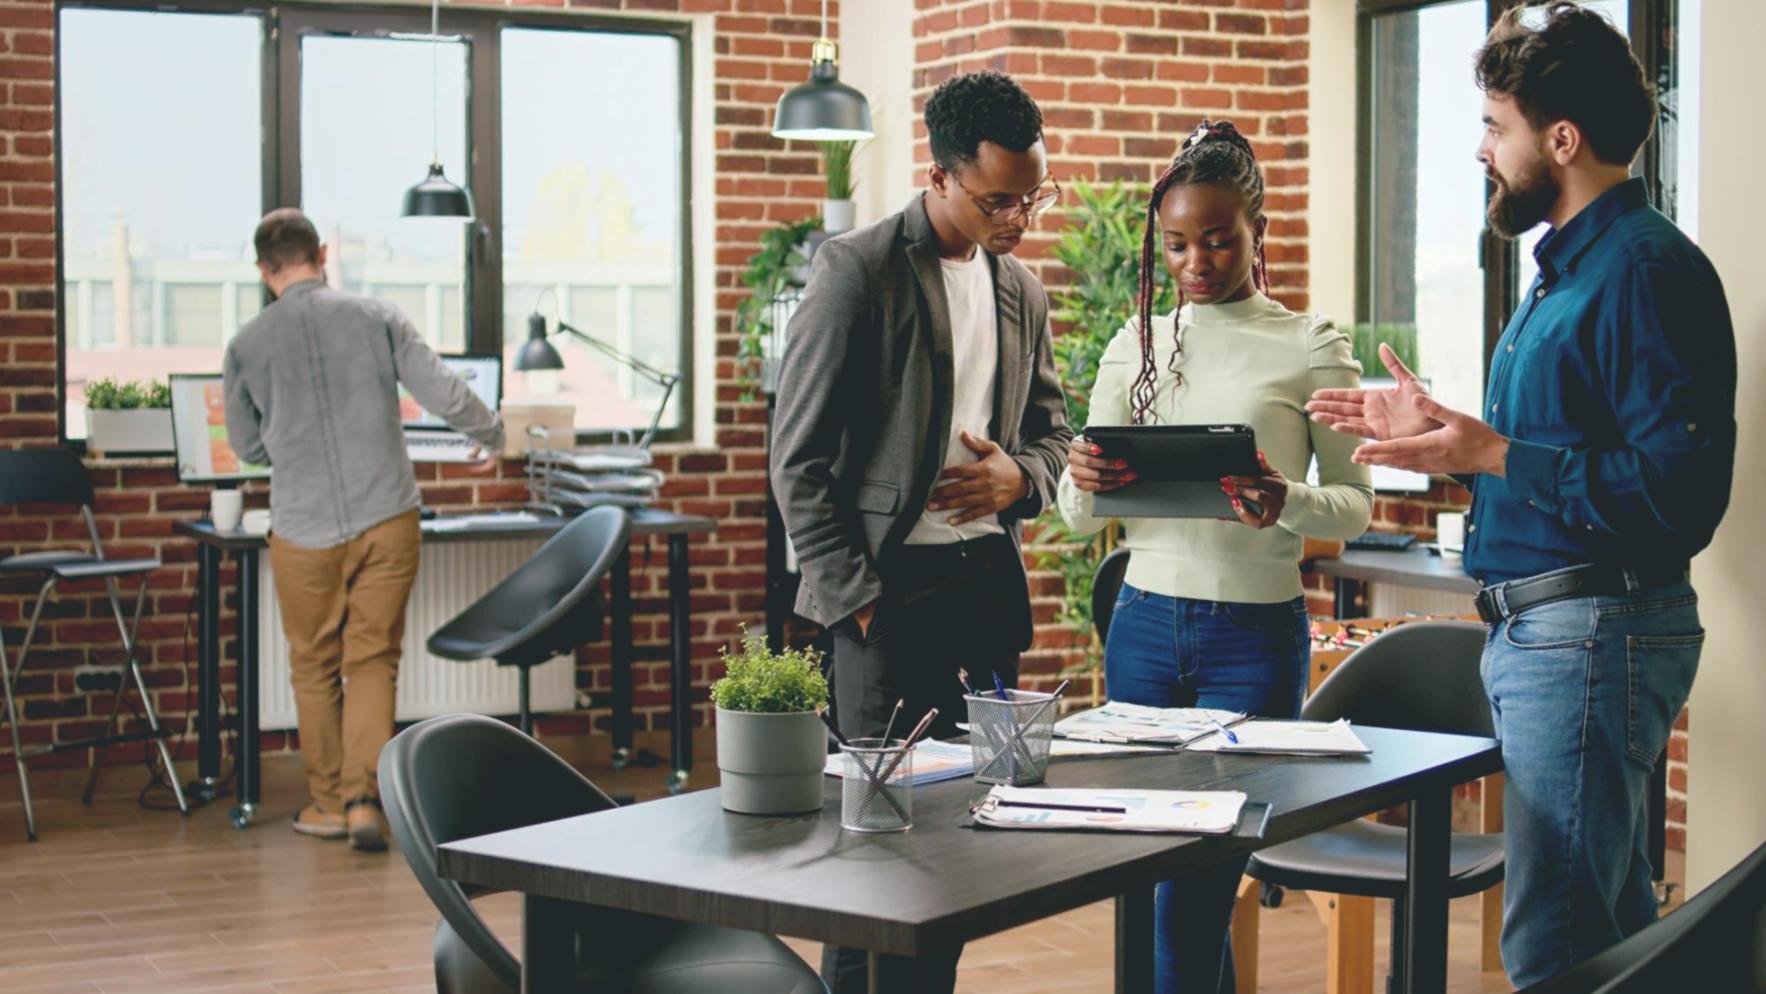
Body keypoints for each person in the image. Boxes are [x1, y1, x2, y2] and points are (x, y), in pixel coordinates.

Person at [1305, 5, 1735, 985]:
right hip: (1549, 635)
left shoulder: (1645, 272)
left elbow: (1682, 496)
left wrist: (1496, 451)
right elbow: (1554, 461)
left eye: (1494, 126)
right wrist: (1449, 441)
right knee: (1610, 929)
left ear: (1561, 140)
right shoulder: (1562, 278)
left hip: (1590, 634)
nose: (1480, 150)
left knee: (1556, 943)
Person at [769, 70, 1072, 994]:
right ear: (938, 176)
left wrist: (1020, 477)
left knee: (961, 853)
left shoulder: (1021, 290)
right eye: (998, 201)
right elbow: (797, 459)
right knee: (877, 857)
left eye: (1032, 197)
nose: (1019, 218)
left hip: (985, 595)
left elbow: (1054, 436)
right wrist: (857, 603)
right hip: (886, 601)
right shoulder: (857, 270)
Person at [1059, 119, 1373, 994]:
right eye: (1177, 244)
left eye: (1218, 239)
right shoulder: (1136, 342)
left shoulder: (1311, 344)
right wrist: (1082, 477)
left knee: (1193, 893)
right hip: (1142, 630)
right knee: (1151, 877)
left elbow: (1355, 505)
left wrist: (1287, 499)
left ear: (1256, 230)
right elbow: (1078, 519)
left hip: (1254, 639)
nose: (1196, 261)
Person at [223, 208, 504, 851]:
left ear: (264, 270)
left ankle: (328, 804)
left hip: (302, 528)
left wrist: (287, 443)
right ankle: (362, 803)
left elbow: (248, 446)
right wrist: (491, 432)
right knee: (373, 659)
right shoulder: (377, 316)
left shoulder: (246, 345)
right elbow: (442, 389)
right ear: (321, 253)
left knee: (313, 665)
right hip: (387, 514)